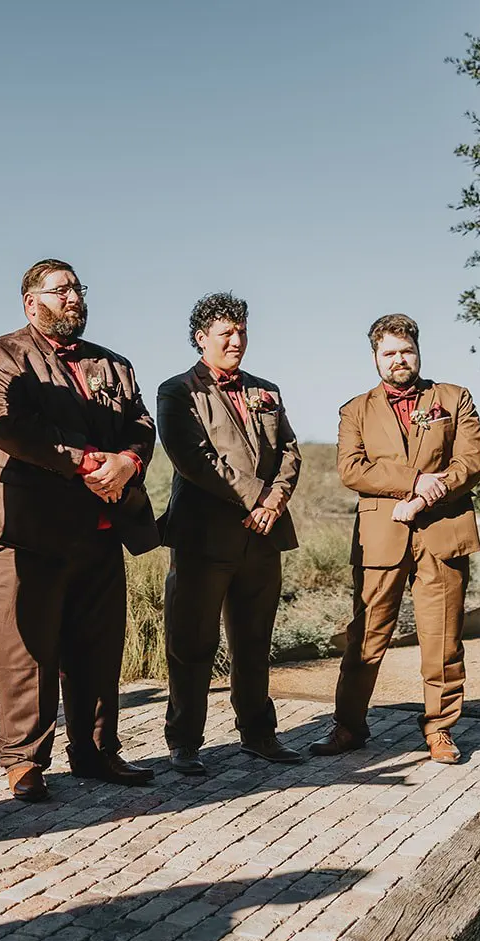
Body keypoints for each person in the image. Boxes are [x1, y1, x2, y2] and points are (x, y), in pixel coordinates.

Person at [0, 259, 159, 802]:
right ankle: (23, 760)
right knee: (24, 648)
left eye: (78, 289)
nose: (73, 299)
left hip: (99, 525)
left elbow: (140, 424)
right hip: (24, 526)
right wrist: (91, 462)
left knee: (98, 645)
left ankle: (96, 750)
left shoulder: (114, 364)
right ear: (30, 302)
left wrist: (129, 463)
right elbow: (12, 429)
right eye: (60, 290)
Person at [315, 313, 480, 764]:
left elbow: (471, 461)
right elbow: (352, 469)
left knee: (443, 638)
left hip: (443, 535)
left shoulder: (453, 398)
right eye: (389, 353)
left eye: (405, 351)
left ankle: (440, 729)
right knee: (366, 636)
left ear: (418, 352)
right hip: (381, 536)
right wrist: (415, 481)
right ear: (375, 357)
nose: (398, 360)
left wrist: (433, 492)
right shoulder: (355, 409)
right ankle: (348, 726)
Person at [156, 292, 306, 776]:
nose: (236, 340)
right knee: (191, 644)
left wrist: (276, 500)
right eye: (226, 333)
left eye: (241, 331)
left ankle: (260, 735)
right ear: (202, 339)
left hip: (263, 538)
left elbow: (290, 450)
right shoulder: (177, 391)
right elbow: (194, 459)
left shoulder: (267, 390)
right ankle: (184, 742)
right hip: (203, 539)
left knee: (254, 643)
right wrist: (257, 497)